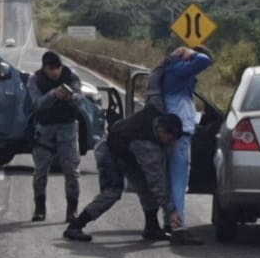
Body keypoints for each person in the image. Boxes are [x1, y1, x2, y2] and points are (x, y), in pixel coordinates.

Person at [63, 106, 184, 242]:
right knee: (112, 192)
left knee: (146, 188)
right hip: (109, 152)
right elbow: (156, 182)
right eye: (169, 140)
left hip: (127, 153)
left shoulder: (156, 117)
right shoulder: (146, 145)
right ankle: (75, 226)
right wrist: (171, 211)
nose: (171, 144)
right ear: (161, 130)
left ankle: (152, 228)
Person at [149, 45, 213, 245]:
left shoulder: (172, 72)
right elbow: (204, 60)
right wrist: (191, 54)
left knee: (169, 181)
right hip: (180, 133)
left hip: (172, 131)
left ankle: (170, 222)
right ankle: (179, 227)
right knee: (178, 183)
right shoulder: (179, 70)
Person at [28, 50, 83, 223]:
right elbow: (36, 104)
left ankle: (72, 210)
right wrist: (53, 95)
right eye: (51, 68)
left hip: (67, 126)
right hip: (45, 128)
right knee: (41, 170)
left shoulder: (71, 76)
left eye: (58, 68)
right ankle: (39, 207)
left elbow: (81, 99)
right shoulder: (35, 79)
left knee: (71, 170)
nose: (55, 72)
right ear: (44, 68)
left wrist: (69, 96)